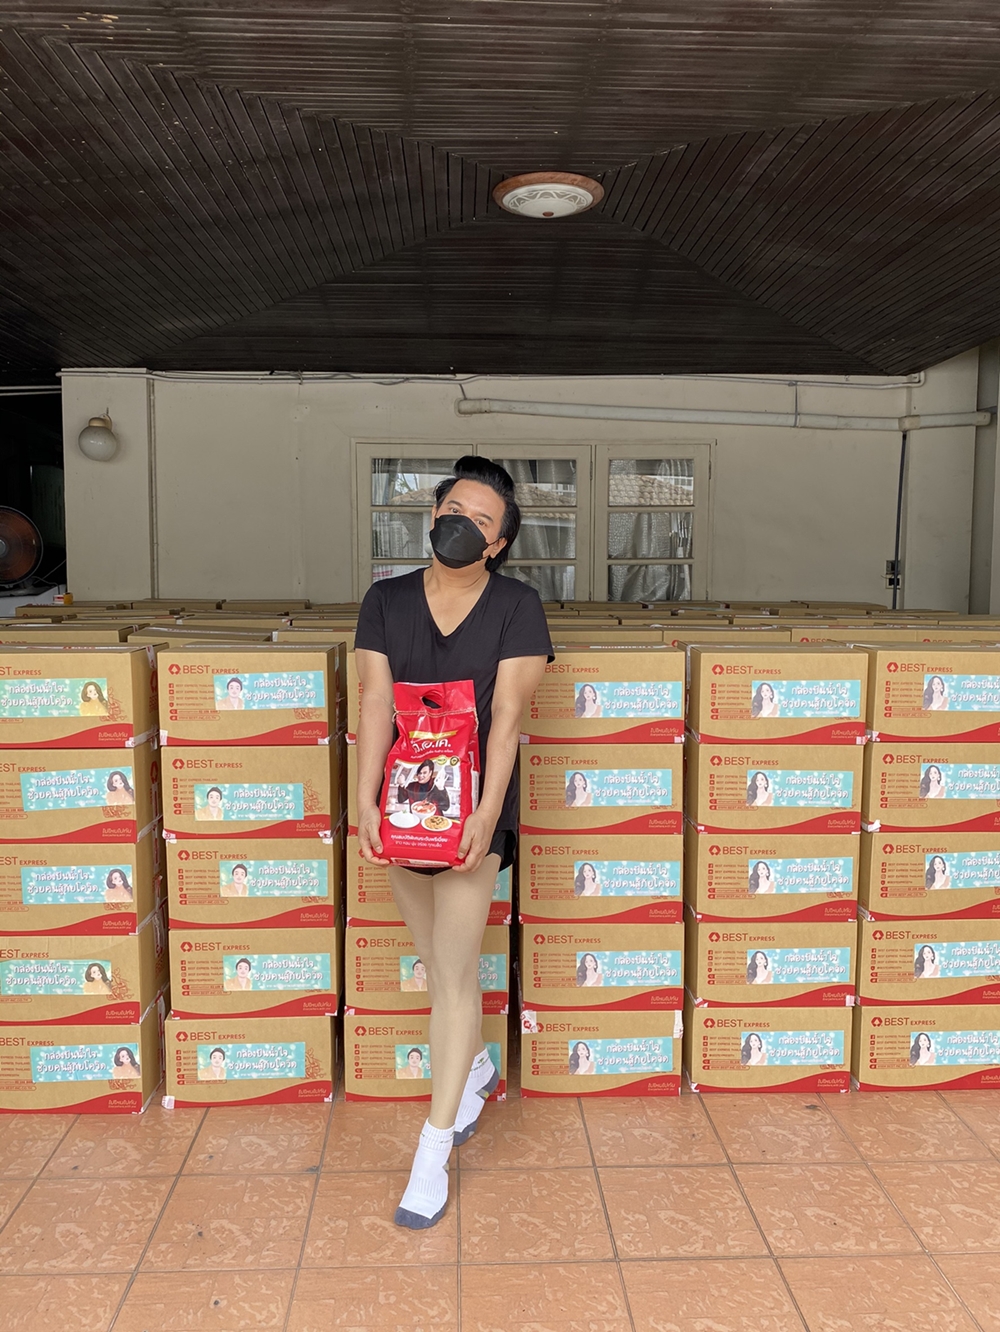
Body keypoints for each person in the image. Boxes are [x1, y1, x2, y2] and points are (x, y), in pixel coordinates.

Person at [355, 455, 551, 1231]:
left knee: (458, 971)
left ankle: (433, 1151)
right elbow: (375, 701)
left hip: (475, 809)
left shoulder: (517, 607)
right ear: (433, 515)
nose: (460, 525)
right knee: (436, 963)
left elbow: (508, 722)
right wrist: (363, 800)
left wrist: (485, 816)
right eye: (452, 510)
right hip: (403, 806)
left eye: (480, 519)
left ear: (498, 544)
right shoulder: (385, 601)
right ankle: (476, 1068)